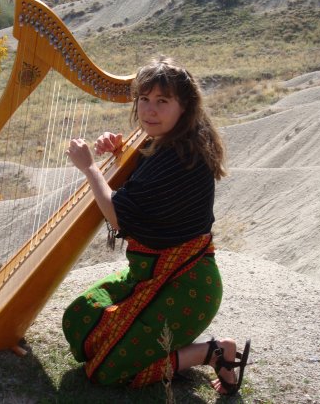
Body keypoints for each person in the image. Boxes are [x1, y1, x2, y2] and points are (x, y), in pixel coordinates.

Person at [63, 57, 250, 395]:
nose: (150, 110)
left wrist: (90, 167)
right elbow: (140, 176)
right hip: (151, 273)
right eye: (144, 100)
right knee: (79, 319)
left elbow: (118, 216)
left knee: (107, 371)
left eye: (162, 101)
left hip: (184, 285)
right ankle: (155, 342)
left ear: (184, 106)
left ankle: (214, 352)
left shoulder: (179, 157)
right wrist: (118, 149)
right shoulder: (174, 139)